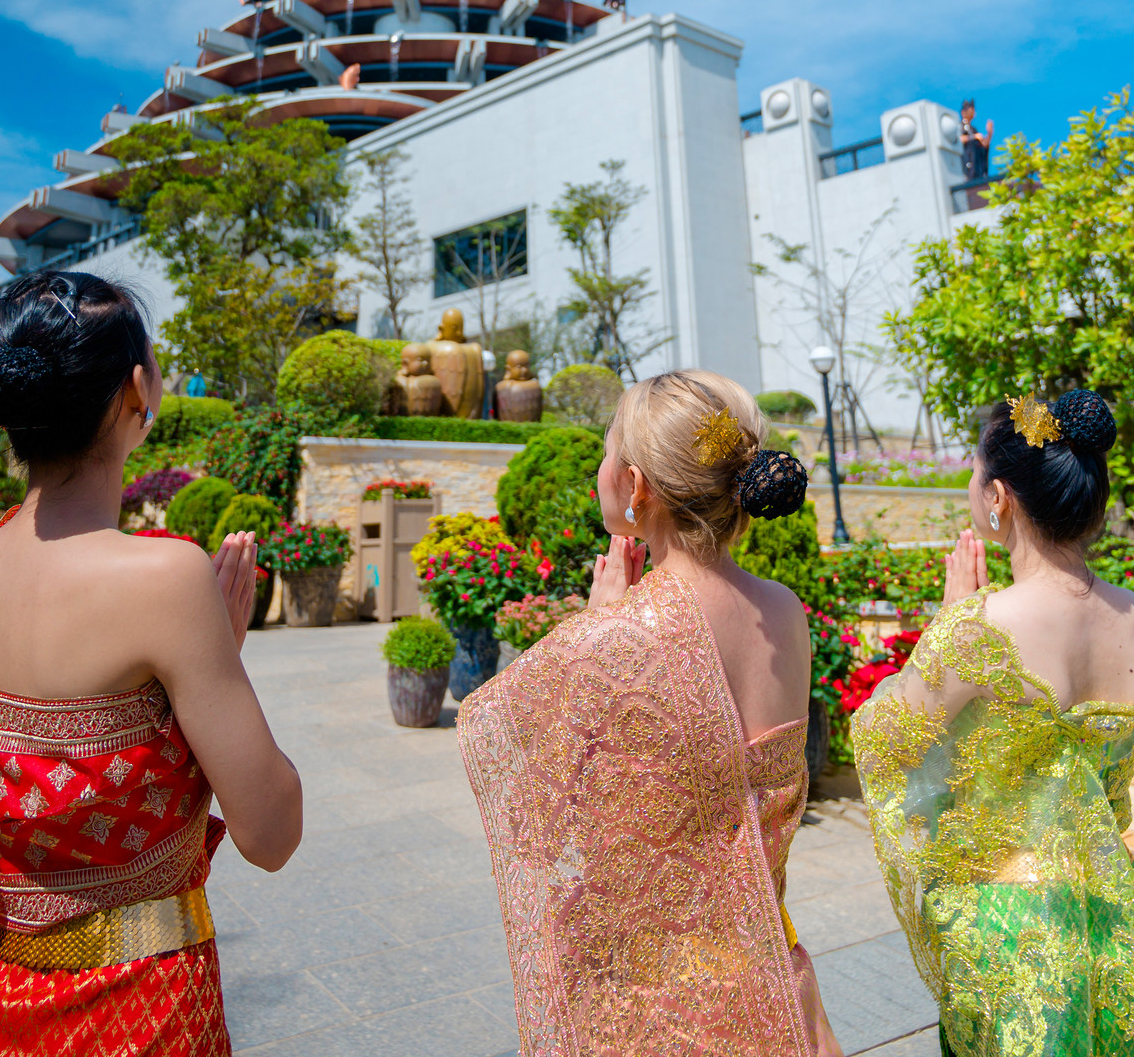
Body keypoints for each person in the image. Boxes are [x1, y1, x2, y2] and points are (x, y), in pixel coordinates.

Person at [0, 270, 302, 1054]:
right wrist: (216, 662)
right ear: (138, 392)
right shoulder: (165, 577)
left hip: (1, 1000)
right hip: (143, 1006)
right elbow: (272, 833)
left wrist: (197, 668)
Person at [458, 369, 842, 1056]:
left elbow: (538, 786)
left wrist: (595, 632)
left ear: (636, 487)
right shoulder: (784, 610)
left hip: (659, 1005)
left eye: (609, 452)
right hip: (771, 976)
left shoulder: (617, 636)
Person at [852, 387, 1134, 1057]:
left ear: (1000, 498)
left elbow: (884, 739)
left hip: (1007, 929)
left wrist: (946, 624)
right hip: (1117, 914)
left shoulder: (980, 629)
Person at [959, 98, 993, 181]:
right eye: (970, 111)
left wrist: (989, 133)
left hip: (976, 166)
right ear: (963, 112)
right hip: (966, 164)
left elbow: (984, 145)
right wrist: (973, 137)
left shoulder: (973, 130)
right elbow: (958, 140)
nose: (973, 113)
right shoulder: (959, 127)